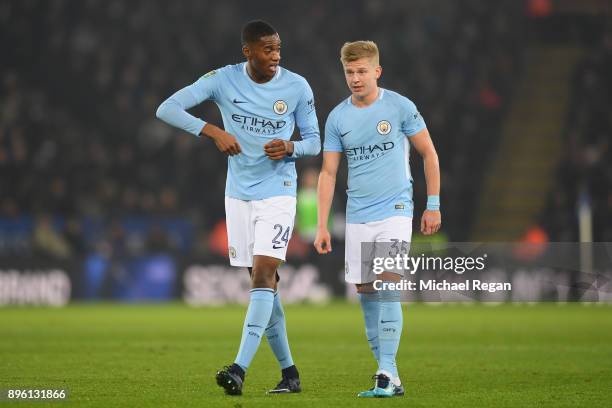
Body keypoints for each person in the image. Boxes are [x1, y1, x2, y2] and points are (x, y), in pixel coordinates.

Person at [156, 20, 320, 395]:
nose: (276, 56)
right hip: (239, 194)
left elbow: (315, 140)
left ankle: (239, 369)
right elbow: (167, 108)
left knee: (263, 275)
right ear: (248, 51)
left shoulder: (296, 86)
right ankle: (289, 374)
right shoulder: (222, 80)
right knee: (266, 285)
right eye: (267, 49)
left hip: (278, 190)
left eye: (278, 48)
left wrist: (291, 147)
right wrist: (212, 131)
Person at [314, 41, 441, 398]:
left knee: (388, 286)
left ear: (377, 72)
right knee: (366, 292)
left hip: (396, 210)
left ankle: (384, 372)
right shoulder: (338, 117)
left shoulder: (400, 107)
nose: (355, 78)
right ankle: (391, 376)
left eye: (361, 71)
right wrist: (322, 224)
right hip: (358, 215)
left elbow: (428, 153)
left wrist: (433, 204)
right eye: (349, 72)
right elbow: (328, 173)